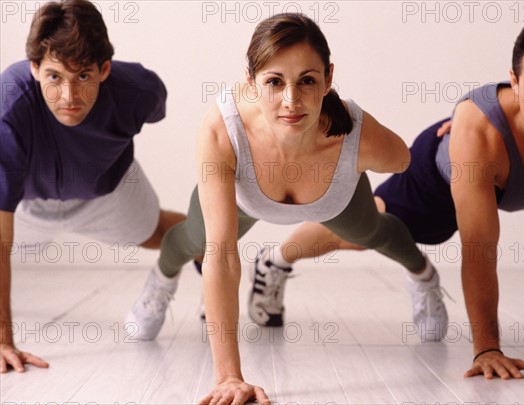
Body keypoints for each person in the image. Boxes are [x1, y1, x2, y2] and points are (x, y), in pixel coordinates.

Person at [125, 12, 448, 403]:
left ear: (328, 79)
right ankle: (161, 280)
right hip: (247, 194)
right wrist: (229, 377)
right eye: (274, 82)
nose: (291, 101)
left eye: (307, 81)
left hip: (334, 193)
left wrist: (351, 146)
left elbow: (402, 161)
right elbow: (223, 256)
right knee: (196, 240)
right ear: (251, 81)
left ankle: (424, 277)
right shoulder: (221, 129)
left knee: (372, 233)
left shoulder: (354, 132)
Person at [254, 16, 524, 381]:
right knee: (364, 229)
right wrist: (487, 348)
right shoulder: (478, 134)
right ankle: (274, 260)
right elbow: (479, 248)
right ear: (513, 81)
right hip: (442, 177)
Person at [0, 0, 185, 373]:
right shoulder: (10, 105)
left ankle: (172, 276)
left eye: (82, 76)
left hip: (108, 191)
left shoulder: (138, 91)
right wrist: (3, 338)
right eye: (54, 76)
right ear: (34, 69)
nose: (69, 97)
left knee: (183, 235)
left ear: (104, 70)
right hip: (29, 205)